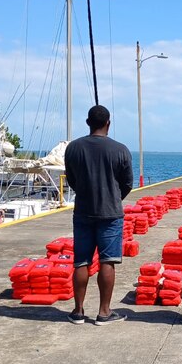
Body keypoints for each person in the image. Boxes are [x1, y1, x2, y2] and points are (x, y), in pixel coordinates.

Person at [64, 105, 133, 325]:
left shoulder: (73, 148)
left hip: (83, 210)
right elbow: (127, 183)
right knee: (107, 261)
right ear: (108, 124)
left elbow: (72, 179)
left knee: (81, 262)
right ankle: (104, 312)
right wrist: (114, 197)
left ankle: (78, 310)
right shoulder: (120, 149)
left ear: (87, 123)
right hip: (110, 214)